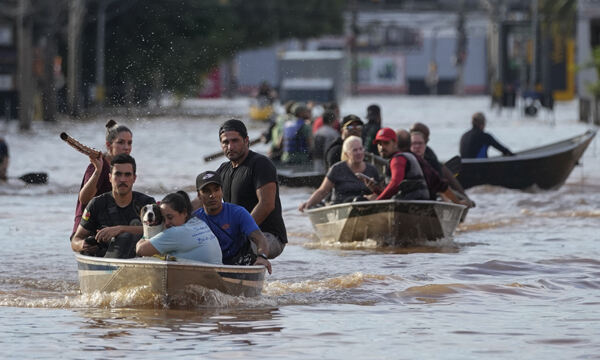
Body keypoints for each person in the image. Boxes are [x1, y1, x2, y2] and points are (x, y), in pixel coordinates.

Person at [192, 119, 287, 259]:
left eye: (235, 141)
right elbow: (201, 199)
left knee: (228, 250)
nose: (230, 147)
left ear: (246, 140)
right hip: (236, 235)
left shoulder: (261, 164)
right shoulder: (223, 170)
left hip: (268, 236)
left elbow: (266, 204)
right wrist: (177, 211)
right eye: (225, 142)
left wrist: (238, 232)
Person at [71, 154, 155, 258]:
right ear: (110, 177)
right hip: (103, 262)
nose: (123, 179)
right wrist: (82, 245)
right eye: (118, 174)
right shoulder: (96, 204)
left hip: (138, 260)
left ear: (134, 178)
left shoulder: (147, 204)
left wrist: (120, 229)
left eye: (127, 175)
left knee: (127, 237)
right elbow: (76, 239)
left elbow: (158, 231)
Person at [193, 171, 272, 273]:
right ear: (199, 195)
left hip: (241, 264)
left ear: (222, 191)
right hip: (211, 266)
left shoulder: (238, 213)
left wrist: (262, 257)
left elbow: (260, 239)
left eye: (216, 190)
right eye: (206, 191)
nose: (212, 195)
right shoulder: (194, 219)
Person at [72, 120, 133, 236]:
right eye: (121, 143)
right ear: (109, 145)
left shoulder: (124, 167)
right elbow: (84, 199)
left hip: (109, 225)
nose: (126, 148)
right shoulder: (97, 166)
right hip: (86, 228)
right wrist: (98, 170)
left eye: (129, 143)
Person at [135, 191, 223, 264]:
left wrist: (144, 236)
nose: (166, 223)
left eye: (170, 217)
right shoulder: (198, 222)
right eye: (163, 219)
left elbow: (140, 250)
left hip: (204, 280)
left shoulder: (175, 232)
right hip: (218, 273)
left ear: (184, 213)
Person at [298, 136, 381, 211]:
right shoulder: (337, 169)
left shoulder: (372, 169)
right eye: (355, 150)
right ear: (346, 154)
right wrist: (308, 204)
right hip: (340, 209)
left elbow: (379, 192)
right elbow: (322, 191)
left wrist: (374, 196)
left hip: (365, 209)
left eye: (360, 149)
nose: (359, 152)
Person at [409, 123, 475, 207]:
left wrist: (457, 201)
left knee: (443, 170)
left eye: (420, 143)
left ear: (426, 141)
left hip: (431, 187)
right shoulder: (405, 153)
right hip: (413, 192)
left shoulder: (430, 158)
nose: (417, 146)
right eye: (414, 143)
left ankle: (465, 198)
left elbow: (440, 184)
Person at [369, 127, 429, 200]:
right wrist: (375, 189)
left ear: (395, 143)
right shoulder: (401, 157)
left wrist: (377, 201)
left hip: (413, 204)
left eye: (386, 143)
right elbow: (393, 192)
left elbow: (395, 184)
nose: (382, 147)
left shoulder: (398, 159)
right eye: (379, 144)